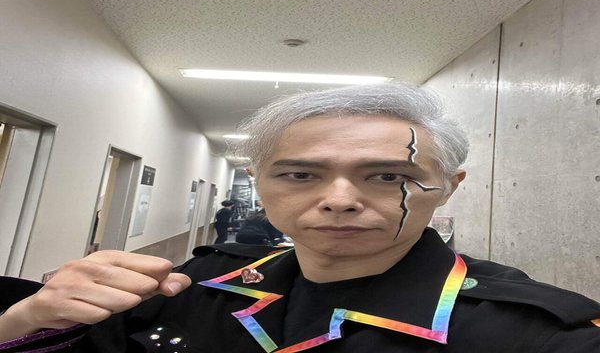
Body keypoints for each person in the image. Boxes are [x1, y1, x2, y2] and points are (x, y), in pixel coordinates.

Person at [1, 84, 599, 352]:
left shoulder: (539, 334)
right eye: (300, 175)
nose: (339, 199)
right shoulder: (193, 286)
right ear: (259, 184)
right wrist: (24, 321)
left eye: (386, 176)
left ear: (447, 187)